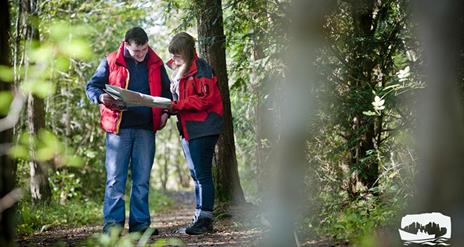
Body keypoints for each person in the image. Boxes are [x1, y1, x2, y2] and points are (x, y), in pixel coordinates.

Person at [85, 27, 171, 235]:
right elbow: (92, 86)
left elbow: (168, 94)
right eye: (136, 52)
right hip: (118, 129)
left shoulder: (156, 62)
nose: (140, 55)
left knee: (141, 179)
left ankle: (140, 226)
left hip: (146, 129)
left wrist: (166, 113)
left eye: (143, 50)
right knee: (115, 179)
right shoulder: (111, 60)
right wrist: (101, 98)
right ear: (125, 45)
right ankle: (112, 228)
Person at [166, 32, 224, 235]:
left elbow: (205, 99)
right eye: (173, 55)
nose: (174, 59)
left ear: (189, 53)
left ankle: (205, 219)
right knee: (196, 174)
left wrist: (177, 105)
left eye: (178, 55)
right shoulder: (180, 71)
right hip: (188, 129)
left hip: (204, 127)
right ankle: (200, 216)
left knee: (203, 174)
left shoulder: (202, 69)